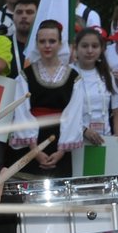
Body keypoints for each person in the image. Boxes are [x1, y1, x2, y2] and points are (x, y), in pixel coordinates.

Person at [8, 19, 87, 179]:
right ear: (36, 44)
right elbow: (21, 113)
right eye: (42, 41)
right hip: (31, 144)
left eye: (52, 41)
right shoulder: (25, 76)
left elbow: (74, 115)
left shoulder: (74, 77)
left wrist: (61, 151)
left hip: (60, 143)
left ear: (60, 43)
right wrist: (35, 150)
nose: (47, 45)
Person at [70, 26, 118, 142]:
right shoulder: (69, 74)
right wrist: (83, 130)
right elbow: (64, 112)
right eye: (84, 46)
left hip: (104, 140)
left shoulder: (107, 75)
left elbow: (116, 110)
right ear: (76, 48)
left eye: (94, 46)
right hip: (77, 141)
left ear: (101, 49)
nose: (89, 51)